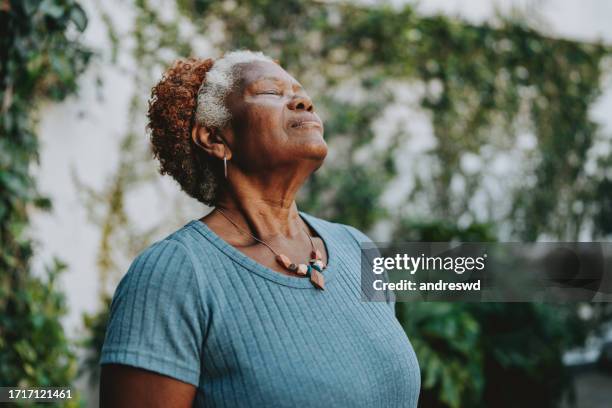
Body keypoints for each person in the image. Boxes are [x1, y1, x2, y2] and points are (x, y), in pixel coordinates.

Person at [99, 50, 420, 407]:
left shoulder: (357, 248)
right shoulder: (174, 274)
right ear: (215, 138)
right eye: (271, 92)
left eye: (301, 92)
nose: (303, 101)